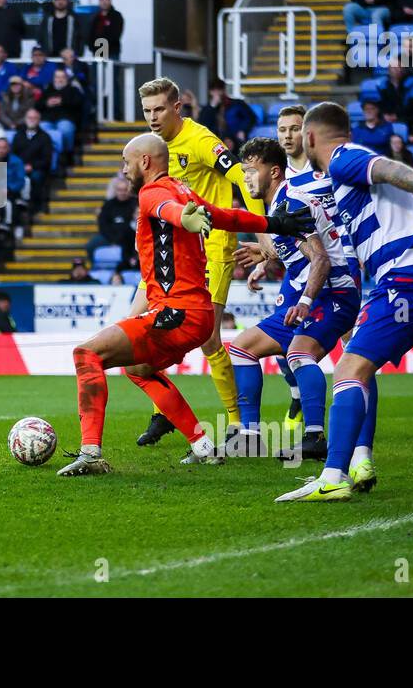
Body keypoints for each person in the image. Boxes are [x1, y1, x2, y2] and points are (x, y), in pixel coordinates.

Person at [55, 133, 314, 476]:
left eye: (125, 162)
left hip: (176, 314)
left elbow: (167, 210)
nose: (123, 170)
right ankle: (203, 446)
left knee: (86, 354)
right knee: (138, 369)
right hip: (198, 316)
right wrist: (274, 223)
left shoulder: (155, 194)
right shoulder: (182, 188)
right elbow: (225, 217)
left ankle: (91, 454)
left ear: (144, 162)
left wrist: (184, 219)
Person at [275, 102, 413, 502]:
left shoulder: (344, 158)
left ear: (309, 137)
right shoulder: (348, 179)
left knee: (347, 371)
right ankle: (354, 462)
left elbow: (390, 168)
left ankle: (334, 475)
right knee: (355, 368)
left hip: (407, 281)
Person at [131, 78, 266, 449]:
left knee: (208, 338)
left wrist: (265, 234)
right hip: (168, 252)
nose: (153, 117)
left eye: (159, 109)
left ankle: (239, 427)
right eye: (147, 111)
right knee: (135, 329)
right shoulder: (153, 149)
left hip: (212, 247)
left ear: (177, 107)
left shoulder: (201, 140)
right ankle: (165, 412)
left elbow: (241, 175)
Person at [224, 138, 361, 460]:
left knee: (299, 354)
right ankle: (249, 437)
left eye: (250, 171)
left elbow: (321, 259)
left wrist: (305, 303)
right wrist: (264, 257)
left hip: (332, 294)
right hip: (309, 294)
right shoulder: (279, 204)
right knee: (242, 348)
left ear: (273, 171)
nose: (245, 179)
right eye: (243, 172)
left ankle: (315, 437)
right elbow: (293, 248)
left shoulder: (292, 204)